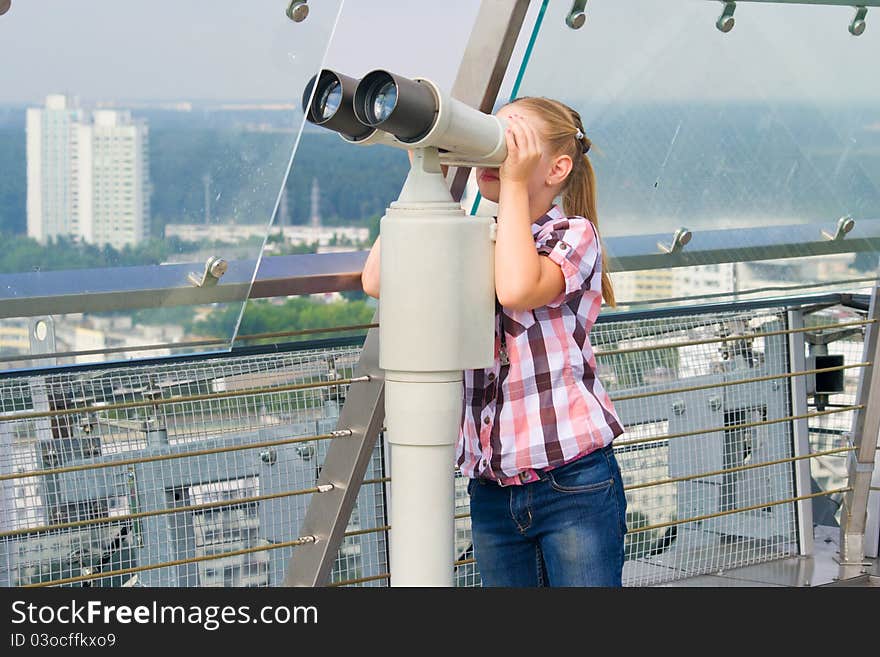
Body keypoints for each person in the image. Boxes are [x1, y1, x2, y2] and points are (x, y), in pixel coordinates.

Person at [361, 96, 627, 587]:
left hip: (571, 479)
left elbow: (518, 288)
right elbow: (380, 279)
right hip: (492, 489)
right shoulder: (474, 233)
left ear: (557, 168)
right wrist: (426, 173)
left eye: (511, 143)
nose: (494, 153)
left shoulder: (572, 234)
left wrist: (509, 184)